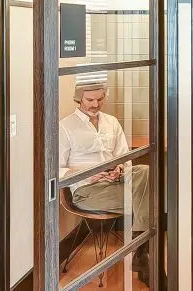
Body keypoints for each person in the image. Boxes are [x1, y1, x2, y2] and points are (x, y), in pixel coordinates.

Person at [59, 82, 154, 283]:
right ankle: (142, 253)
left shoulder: (112, 122)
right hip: (87, 191)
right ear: (79, 98)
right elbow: (56, 171)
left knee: (145, 171)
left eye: (100, 99)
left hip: (116, 182)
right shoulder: (65, 127)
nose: (95, 104)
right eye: (90, 100)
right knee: (153, 198)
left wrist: (119, 168)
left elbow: (124, 157)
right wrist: (87, 174)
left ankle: (141, 251)